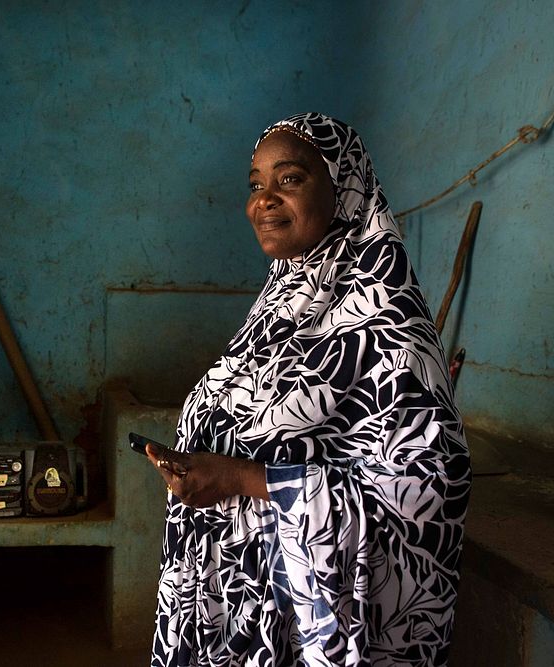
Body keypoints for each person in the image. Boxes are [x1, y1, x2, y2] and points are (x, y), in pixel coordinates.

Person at [145, 113, 471, 666]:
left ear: (343, 189)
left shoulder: (387, 328)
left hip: (304, 628)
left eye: (289, 179)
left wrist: (238, 477)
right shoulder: (280, 308)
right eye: (255, 184)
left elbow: (428, 493)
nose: (264, 200)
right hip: (230, 606)